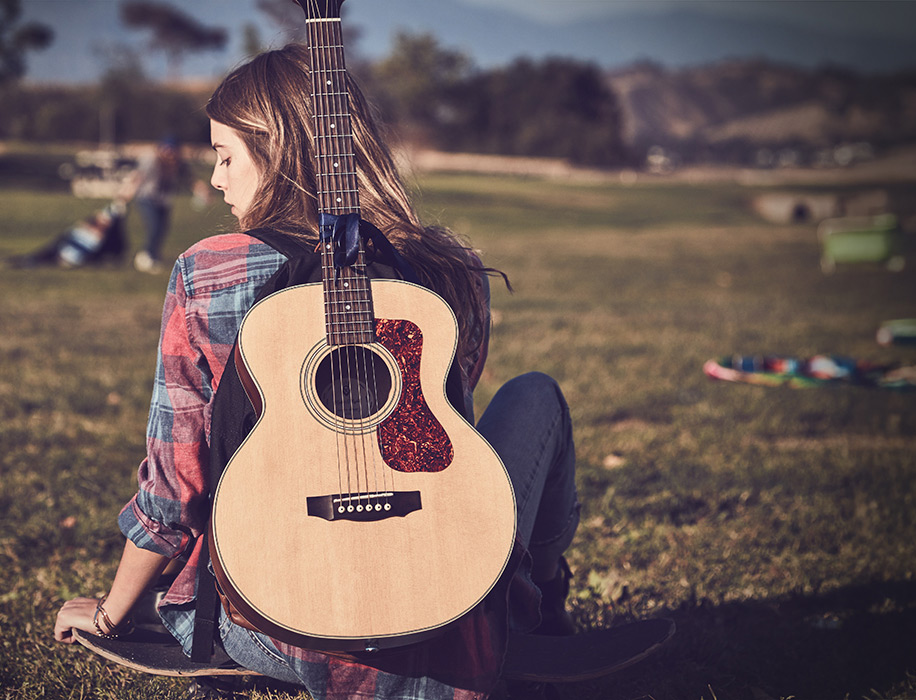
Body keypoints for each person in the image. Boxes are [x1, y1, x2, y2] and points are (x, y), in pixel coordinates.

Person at [52, 44, 580, 699]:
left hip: (279, 620)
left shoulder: (210, 271)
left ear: (275, 152)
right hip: (449, 611)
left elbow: (174, 490)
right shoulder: (450, 267)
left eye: (224, 156)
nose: (216, 181)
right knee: (536, 397)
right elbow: (444, 445)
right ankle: (530, 598)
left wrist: (109, 614)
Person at [121, 136, 208, 274]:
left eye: (172, 150)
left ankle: (153, 255)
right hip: (147, 198)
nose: (169, 154)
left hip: (164, 201)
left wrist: (201, 190)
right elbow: (138, 177)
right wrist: (127, 195)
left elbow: (190, 180)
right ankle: (145, 256)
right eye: (166, 149)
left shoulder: (179, 164)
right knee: (154, 226)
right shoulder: (151, 161)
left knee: (162, 229)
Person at [6, 202, 127, 269]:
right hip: (66, 248)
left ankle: (29, 261)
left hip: (71, 256)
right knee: (49, 252)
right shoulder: (93, 229)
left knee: (49, 257)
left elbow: (90, 250)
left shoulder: (102, 235)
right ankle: (28, 259)